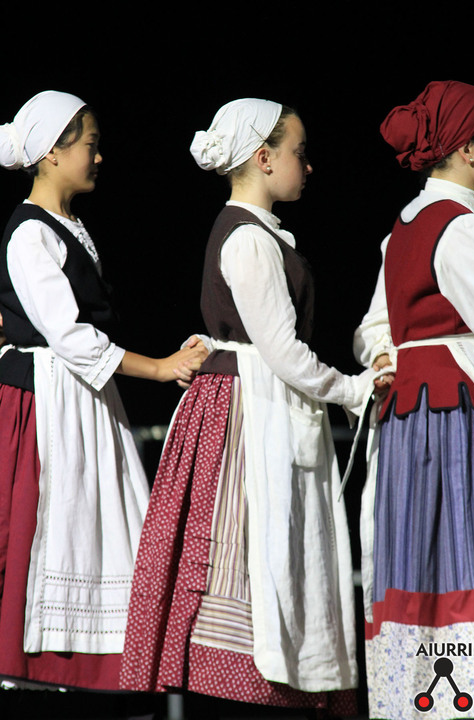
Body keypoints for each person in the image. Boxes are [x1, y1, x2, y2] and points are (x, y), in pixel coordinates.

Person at [120, 98, 378, 717]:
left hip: (251, 399)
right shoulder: (249, 240)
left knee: (268, 549)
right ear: (263, 158)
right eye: (299, 153)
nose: (307, 167)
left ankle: (269, 684)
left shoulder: (253, 234)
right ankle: (252, 684)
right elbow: (282, 350)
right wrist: (353, 389)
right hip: (249, 413)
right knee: (254, 547)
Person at [0, 90, 207, 692]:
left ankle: (114, 667)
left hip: (84, 400)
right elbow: (70, 335)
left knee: (108, 527)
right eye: (89, 145)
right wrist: (162, 368)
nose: (98, 157)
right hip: (51, 403)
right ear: (51, 152)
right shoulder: (29, 234)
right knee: (56, 526)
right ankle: (41, 666)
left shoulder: (68, 228)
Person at [353, 80, 474, 720]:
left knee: (417, 559)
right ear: (470, 150)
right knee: (457, 553)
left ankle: (416, 700)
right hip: (450, 417)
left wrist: (384, 356)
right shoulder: (460, 228)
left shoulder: (402, 227)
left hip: (410, 420)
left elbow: (371, 328)